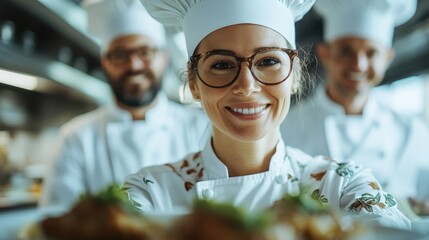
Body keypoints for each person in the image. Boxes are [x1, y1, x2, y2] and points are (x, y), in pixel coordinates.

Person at [123, 0, 410, 229]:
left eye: (269, 61)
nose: (247, 86)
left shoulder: (343, 184)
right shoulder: (150, 194)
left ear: (294, 76)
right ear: (195, 84)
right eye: (222, 65)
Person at [40, 0, 208, 207]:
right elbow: (58, 222)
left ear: (164, 58)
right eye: (120, 55)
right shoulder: (74, 139)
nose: (134, 65)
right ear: (105, 63)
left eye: (145, 52)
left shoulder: (201, 129)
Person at [280, 0, 429, 216]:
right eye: (346, 51)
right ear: (325, 54)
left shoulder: (413, 133)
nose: (358, 64)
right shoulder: (287, 127)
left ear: (387, 58)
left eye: (371, 53)